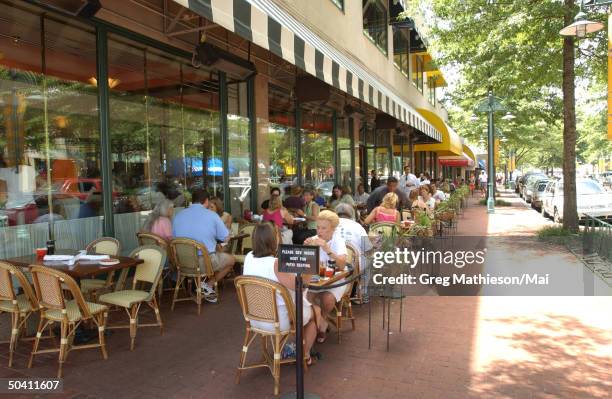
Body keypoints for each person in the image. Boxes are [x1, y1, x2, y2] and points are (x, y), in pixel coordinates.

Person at [242, 223, 325, 365]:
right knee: (316, 311)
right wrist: (311, 262)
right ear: (275, 239)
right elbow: (301, 286)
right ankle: (304, 355)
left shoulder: (249, 256)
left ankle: (292, 349)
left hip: (254, 318)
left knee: (299, 307)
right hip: (277, 322)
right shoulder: (276, 264)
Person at [172, 189, 235, 303]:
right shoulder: (212, 215)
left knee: (214, 254)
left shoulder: (178, 215)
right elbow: (225, 237)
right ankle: (207, 285)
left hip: (182, 263)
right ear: (206, 201)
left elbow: (174, 239)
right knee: (231, 260)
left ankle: (202, 285)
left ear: (193, 200)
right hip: (203, 262)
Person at [305, 210, 347, 344]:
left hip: (335, 280)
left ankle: (318, 323)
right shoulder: (313, 240)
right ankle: (321, 323)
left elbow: (341, 266)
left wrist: (327, 249)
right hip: (317, 280)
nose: (319, 231)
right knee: (306, 298)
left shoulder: (338, 241)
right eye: (318, 227)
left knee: (327, 299)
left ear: (333, 229)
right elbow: (306, 264)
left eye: (324, 228)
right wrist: (306, 249)